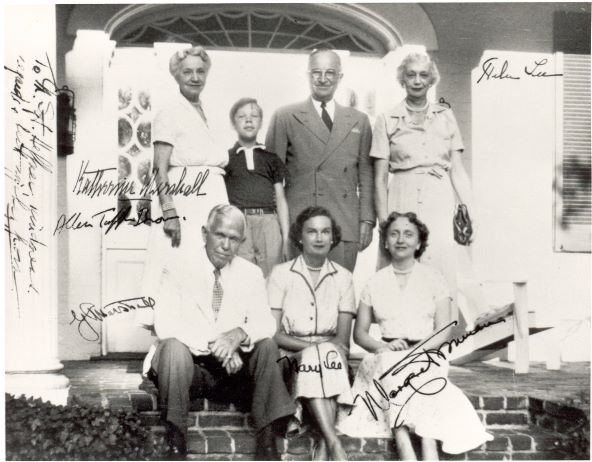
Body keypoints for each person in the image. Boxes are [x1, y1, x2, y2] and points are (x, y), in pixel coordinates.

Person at [337, 212, 492, 460]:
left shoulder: (434, 278)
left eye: (408, 234)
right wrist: (381, 346)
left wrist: (416, 351)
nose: (401, 240)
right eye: (394, 234)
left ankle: (428, 446)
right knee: (392, 367)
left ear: (419, 243)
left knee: (420, 371)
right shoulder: (374, 282)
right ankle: (405, 446)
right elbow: (360, 334)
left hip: (426, 351)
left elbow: (444, 330)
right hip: (385, 355)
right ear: (385, 241)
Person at [147, 204, 296, 460]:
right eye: (220, 235)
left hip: (233, 374)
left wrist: (238, 334)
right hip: (189, 371)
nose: (226, 245)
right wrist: (219, 345)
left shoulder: (251, 273)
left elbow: (266, 323)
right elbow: (166, 324)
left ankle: (267, 444)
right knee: (171, 347)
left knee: (267, 347)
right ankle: (175, 442)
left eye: (234, 239)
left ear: (242, 241)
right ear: (205, 233)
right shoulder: (177, 267)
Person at [370, 52, 476, 309]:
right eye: (411, 74)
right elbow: (380, 177)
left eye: (423, 75)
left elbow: (458, 171)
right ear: (402, 79)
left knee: (441, 258)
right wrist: (384, 221)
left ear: (431, 80)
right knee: (401, 255)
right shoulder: (387, 118)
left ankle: (444, 330)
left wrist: (470, 211)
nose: (417, 81)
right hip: (402, 193)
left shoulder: (446, 116)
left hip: (438, 193)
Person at [138, 46, 229, 329]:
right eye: (187, 71)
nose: (194, 77)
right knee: (178, 263)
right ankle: (165, 343)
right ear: (177, 75)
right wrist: (169, 212)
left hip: (212, 197)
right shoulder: (169, 111)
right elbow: (159, 168)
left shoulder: (209, 112)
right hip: (184, 200)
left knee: (207, 265)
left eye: (200, 71)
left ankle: (201, 337)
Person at [265, 49, 374, 272]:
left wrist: (367, 221)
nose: (323, 79)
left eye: (330, 73)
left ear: (340, 77)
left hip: (344, 222)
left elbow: (366, 176)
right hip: (299, 224)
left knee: (340, 295)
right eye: (316, 72)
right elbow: (271, 179)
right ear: (307, 75)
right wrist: (277, 228)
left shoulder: (359, 121)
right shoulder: (285, 116)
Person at [267, 206, 355, 461]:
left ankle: (326, 448)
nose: (319, 237)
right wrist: (311, 349)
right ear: (299, 237)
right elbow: (273, 333)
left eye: (325, 231)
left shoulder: (344, 278)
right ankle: (333, 444)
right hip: (291, 357)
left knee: (324, 356)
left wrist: (321, 350)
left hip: (332, 358)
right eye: (312, 231)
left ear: (332, 237)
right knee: (318, 356)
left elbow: (342, 340)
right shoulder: (281, 274)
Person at [224, 97, 290, 277]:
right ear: (233, 123)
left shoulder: (270, 158)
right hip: (240, 223)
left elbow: (281, 199)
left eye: (254, 116)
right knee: (242, 275)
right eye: (241, 116)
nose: (248, 120)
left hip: (269, 222)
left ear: (261, 123)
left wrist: (286, 236)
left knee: (272, 276)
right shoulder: (226, 158)